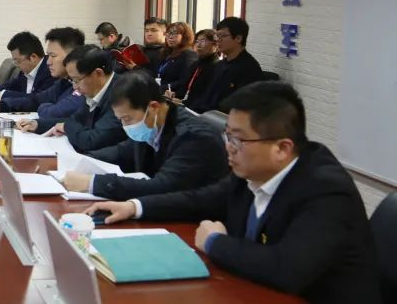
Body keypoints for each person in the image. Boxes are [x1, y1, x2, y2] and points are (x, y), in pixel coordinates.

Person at [87, 82, 382, 303]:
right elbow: (201, 200)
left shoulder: (326, 190)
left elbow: (286, 269)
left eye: (238, 140)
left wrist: (215, 242)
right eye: (227, 135)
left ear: (282, 148)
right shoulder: (250, 172)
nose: (228, 147)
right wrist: (134, 206)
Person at [59, 71, 227, 200]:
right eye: (120, 120)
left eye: (127, 119)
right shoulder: (153, 124)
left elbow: (162, 186)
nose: (125, 126)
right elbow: (122, 152)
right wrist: (81, 161)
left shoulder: (192, 138)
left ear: (153, 107)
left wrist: (92, 183)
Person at [21, 45, 127, 153]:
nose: (75, 87)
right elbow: (74, 120)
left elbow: (93, 140)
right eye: (72, 80)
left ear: (98, 74)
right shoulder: (93, 90)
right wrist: (38, 124)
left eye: (76, 80)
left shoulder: (123, 94)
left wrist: (66, 127)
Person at [191, 17, 264, 113]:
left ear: (238, 38)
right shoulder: (219, 65)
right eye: (217, 36)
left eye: (223, 36)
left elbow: (239, 106)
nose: (218, 40)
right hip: (205, 114)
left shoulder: (249, 68)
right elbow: (206, 96)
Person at [0, 31, 54, 115]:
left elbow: (35, 99)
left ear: (33, 57)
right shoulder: (27, 70)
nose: (16, 65)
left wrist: (3, 96)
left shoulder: (51, 72)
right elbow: (13, 84)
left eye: (18, 61)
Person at [15, 27, 88, 121]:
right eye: (48, 56)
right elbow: (37, 100)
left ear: (72, 55)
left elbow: (54, 113)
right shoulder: (63, 81)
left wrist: (44, 106)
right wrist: (2, 105)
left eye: (53, 56)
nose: (48, 62)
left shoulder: (84, 84)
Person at [169, 28, 220, 106]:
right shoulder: (196, 64)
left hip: (197, 109)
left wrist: (184, 103)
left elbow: (207, 97)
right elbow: (185, 86)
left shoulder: (217, 67)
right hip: (184, 104)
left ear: (215, 45)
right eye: (197, 41)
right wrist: (174, 94)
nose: (198, 45)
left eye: (203, 41)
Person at [154, 21, 198, 91]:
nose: (170, 37)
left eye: (174, 33)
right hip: (159, 91)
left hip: (173, 94)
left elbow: (184, 81)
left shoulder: (189, 55)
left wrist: (162, 88)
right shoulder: (165, 52)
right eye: (168, 33)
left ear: (185, 36)